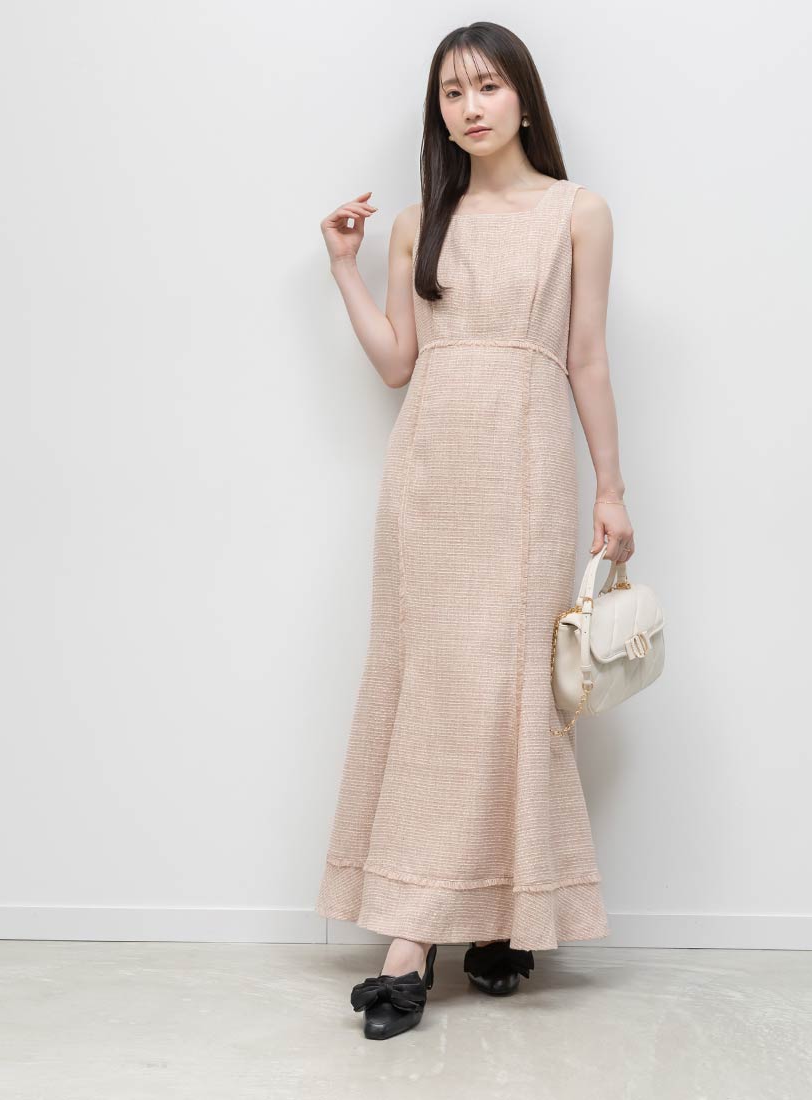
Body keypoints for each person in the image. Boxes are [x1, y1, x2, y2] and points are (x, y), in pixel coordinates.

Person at [316, 21, 634, 1040]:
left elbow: (586, 357)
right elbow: (396, 364)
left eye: (486, 86)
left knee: (508, 691)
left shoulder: (578, 212)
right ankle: (425, 933)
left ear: (523, 99)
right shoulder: (421, 222)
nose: (469, 106)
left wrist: (611, 488)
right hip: (428, 477)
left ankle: (482, 919)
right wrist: (345, 267)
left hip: (527, 469)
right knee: (434, 691)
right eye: (451, 92)